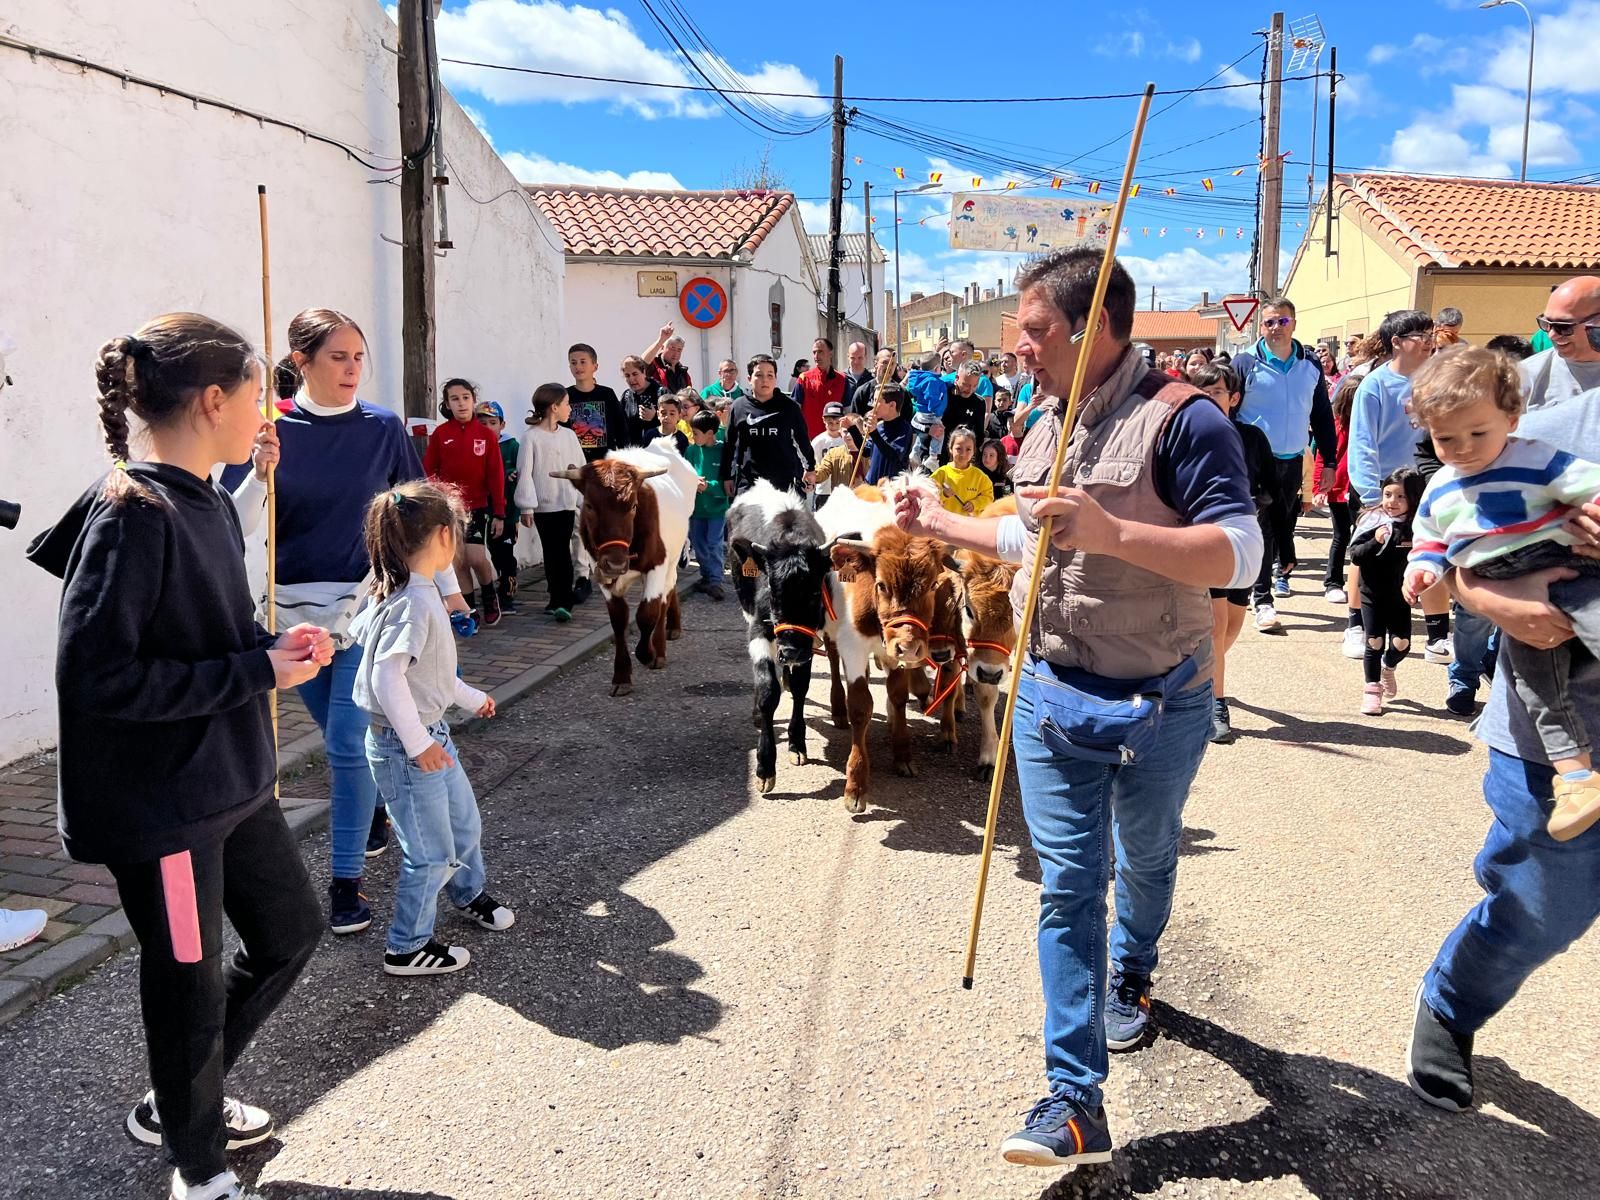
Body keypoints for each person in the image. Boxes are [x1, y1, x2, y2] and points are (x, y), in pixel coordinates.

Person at [890, 246, 1261, 1169]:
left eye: (1035, 329)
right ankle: (1074, 1101)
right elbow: (1031, 538)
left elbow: (1242, 554)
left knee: (1148, 857)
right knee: (1066, 886)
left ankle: (1134, 968)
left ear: (1094, 326)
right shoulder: (1040, 420)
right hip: (1050, 690)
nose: (1018, 346)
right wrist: (938, 522)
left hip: (1162, 698)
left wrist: (1115, 531)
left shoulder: (1186, 419)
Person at [27, 313, 328, 1200]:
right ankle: (198, 1165)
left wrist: (272, 648)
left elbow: (201, 633)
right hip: (165, 813)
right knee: (187, 983)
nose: (268, 412)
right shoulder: (131, 513)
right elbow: (98, 678)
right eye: (259, 393)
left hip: (232, 785)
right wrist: (256, 669)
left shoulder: (204, 498)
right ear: (213, 400)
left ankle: (177, 1099)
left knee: (290, 932)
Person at [1405, 273, 1600, 1115]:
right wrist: (1493, 599)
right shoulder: (1544, 430)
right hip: (1553, 718)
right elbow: (1460, 550)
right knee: (1544, 904)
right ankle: (1453, 1002)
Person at [220, 309, 445, 934]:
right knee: (340, 735)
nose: (351, 369)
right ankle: (370, 811)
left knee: (347, 742)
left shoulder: (382, 427)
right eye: (337, 357)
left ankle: (344, 884)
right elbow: (232, 526)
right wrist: (258, 475)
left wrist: (439, 588)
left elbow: (420, 508)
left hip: (365, 606)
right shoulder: (269, 430)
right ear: (301, 363)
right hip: (291, 614)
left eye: (357, 357)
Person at [1403, 347, 1600, 834]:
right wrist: (1422, 569)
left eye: (1477, 433)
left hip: (1561, 566)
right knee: (1538, 688)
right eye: (1446, 438)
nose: (1463, 448)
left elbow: (1587, 485)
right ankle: (1577, 780)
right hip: (1505, 584)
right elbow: (1431, 538)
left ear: (1511, 420)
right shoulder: (1441, 486)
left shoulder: (1534, 456)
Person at [351, 482, 514, 978]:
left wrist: (471, 698)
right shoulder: (414, 603)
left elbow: (432, 675)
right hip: (407, 747)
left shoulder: (409, 593)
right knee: (430, 854)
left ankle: (468, 893)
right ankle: (407, 946)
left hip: (428, 735)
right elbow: (387, 677)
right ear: (444, 536)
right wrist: (419, 744)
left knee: (464, 825)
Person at [1348, 310, 1453, 659]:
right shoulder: (1374, 385)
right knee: (1370, 557)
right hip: (1383, 485)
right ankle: (1357, 626)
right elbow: (1362, 442)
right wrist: (1370, 498)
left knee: (1431, 551)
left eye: (1430, 335)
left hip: (1425, 483)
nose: (1428, 342)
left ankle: (1437, 635)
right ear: (1396, 342)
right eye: (1420, 336)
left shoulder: (1435, 381)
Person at [1233, 297, 1338, 629]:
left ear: (1294, 323)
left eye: (1283, 321)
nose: (1276, 328)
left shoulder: (1310, 365)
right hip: (1254, 462)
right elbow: (1229, 412)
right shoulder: (1245, 363)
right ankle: (1262, 599)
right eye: (1269, 322)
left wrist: (1329, 461)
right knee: (1261, 529)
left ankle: (1262, 583)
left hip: (1292, 459)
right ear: (1260, 327)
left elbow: (1322, 415)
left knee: (1282, 528)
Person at [1191, 361, 1274, 744]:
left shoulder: (1252, 438)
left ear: (1234, 397)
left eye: (1217, 392)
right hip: (1206, 540)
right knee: (1216, 624)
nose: (1209, 399)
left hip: (1244, 540)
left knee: (1233, 626)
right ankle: (1215, 704)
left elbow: (1272, 488)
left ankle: (1201, 674)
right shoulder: (1186, 436)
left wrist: (1281, 541)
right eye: (1203, 392)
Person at [424, 378, 506, 626]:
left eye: (465, 398)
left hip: (477, 507)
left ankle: (489, 595)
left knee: (476, 558)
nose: (461, 403)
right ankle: (469, 609)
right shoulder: (441, 434)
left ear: (473, 400)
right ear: (447, 404)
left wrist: (499, 512)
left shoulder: (485, 435)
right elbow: (429, 470)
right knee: (457, 560)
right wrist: (437, 494)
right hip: (449, 509)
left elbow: (496, 474)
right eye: (455, 399)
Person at [1349, 467, 1424, 715]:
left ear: (1413, 498)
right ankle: (1372, 690)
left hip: (1400, 594)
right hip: (1372, 592)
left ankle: (1388, 666)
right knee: (1374, 641)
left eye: (1401, 496)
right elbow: (1356, 555)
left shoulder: (1418, 525)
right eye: (1388, 494)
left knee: (1401, 644)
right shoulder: (1372, 520)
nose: (1392, 501)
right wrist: (1376, 541)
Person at [516, 383, 585, 622]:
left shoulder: (569, 435)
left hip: (566, 502)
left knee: (562, 551)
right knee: (552, 551)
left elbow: (580, 468)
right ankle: (557, 597)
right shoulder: (531, 437)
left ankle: (563, 600)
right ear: (554, 407)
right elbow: (525, 473)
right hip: (544, 506)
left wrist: (583, 499)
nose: (569, 409)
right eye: (566, 404)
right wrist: (526, 506)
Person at [721, 354, 816, 498]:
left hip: (782, 484)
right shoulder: (738, 406)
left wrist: (810, 468)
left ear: (776, 379)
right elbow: (730, 445)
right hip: (749, 483)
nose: (765, 380)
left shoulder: (789, 407)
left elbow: (802, 441)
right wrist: (727, 476)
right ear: (749, 379)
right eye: (759, 375)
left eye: (770, 375)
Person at [475, 400, 521, 616]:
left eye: (492, 423)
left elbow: (522, 473)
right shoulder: (475, 445)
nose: (487, 427)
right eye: (482, 423)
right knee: (492, 551)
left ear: (502, 425)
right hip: (483, 509)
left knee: (506, 554)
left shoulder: (511, 446)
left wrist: (512, 474)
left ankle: (507, 594)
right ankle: (498, 586)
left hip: (507, 511)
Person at [685, 411, 730, 600]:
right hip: (696, 509)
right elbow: (685, 474)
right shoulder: (691, 451)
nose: (693, 436)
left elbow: (728, 483)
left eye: (696, 433)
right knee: (698, 544)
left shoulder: (723, 451)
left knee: (714, 543)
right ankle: (706, 576)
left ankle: (716, 581)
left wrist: (708, 486)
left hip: (716, 509)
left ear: (710, 433)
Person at [566, 342, 628, 462]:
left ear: (595, 366)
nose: (578, 366)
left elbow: (621, 428)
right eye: (573, 363)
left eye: (583, 362)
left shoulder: (607, 394)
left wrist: (625, 458)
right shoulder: (565, 396)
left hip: (605, 462)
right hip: (575, 462)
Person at [792, 336, 848, 439]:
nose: (816, 356)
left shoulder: (842, 380)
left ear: (830, 353)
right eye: (814, 352)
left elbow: (847, 411)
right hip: (809, 440)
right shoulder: (804, 378)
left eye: (820, 352)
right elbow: (794, 411)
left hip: (835, 440)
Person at [904, 350, 951, 471]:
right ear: (936, 368)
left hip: (920, 412)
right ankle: (933, 457)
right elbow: (932, 396)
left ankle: (915, 452)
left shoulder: (919, 378)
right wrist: (936, 410)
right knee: (939, 433)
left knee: (921, 436)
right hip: (931, 413)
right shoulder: (932, 381)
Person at [929, 428, 993, 515]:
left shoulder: (980, 476)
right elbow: (928, 496)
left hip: (969, 522)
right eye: (959, 449)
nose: (963, 454)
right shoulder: (941, 473)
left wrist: (975, 504)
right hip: (944, 521)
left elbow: (989, 498)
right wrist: (943, 494)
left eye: (968, 449)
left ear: (974, 451)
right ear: (950, 449)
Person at [866, 382, 914, 485]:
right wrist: (852, 429)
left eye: (877, 401)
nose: (873, 405)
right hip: (872, 485)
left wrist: (874, 433)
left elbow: (894, 456)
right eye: (873, 400)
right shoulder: (879, 426)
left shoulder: (904, 428)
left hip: (891, 487)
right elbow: (866, 451)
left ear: (892, 405)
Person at [618, 355, 664, 448]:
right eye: (627, 375)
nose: (631, 379)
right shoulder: (626, 396)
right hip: (634, 452)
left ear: (644, 372)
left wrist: (655, 417)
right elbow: (620, 425)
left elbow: (675, 420)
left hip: (657, 450)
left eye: (635, 374)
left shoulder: (661, 392)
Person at [640, 322, 691, 392]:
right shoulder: (654, 366)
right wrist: (661, 339)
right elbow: (643, 361)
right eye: (672, 348)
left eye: (679, 350)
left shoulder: (683, 372)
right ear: (662, 348)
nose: (676, 353)